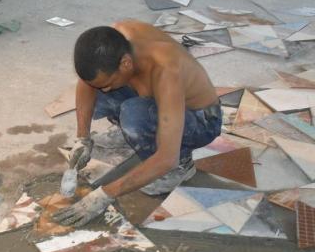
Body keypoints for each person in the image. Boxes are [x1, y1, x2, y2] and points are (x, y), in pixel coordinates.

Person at [53, 20, 222, 227]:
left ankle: (183, 164)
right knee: (100, 93)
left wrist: (104, 195)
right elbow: (89, 82)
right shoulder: (117, 39)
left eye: (107, 84)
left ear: (125, 63)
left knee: (134, 116)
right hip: (156, 97)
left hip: (200, 119)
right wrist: (83, 138)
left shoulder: (165, 70)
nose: (104, 90)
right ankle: (131, 133)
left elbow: (166, 158)